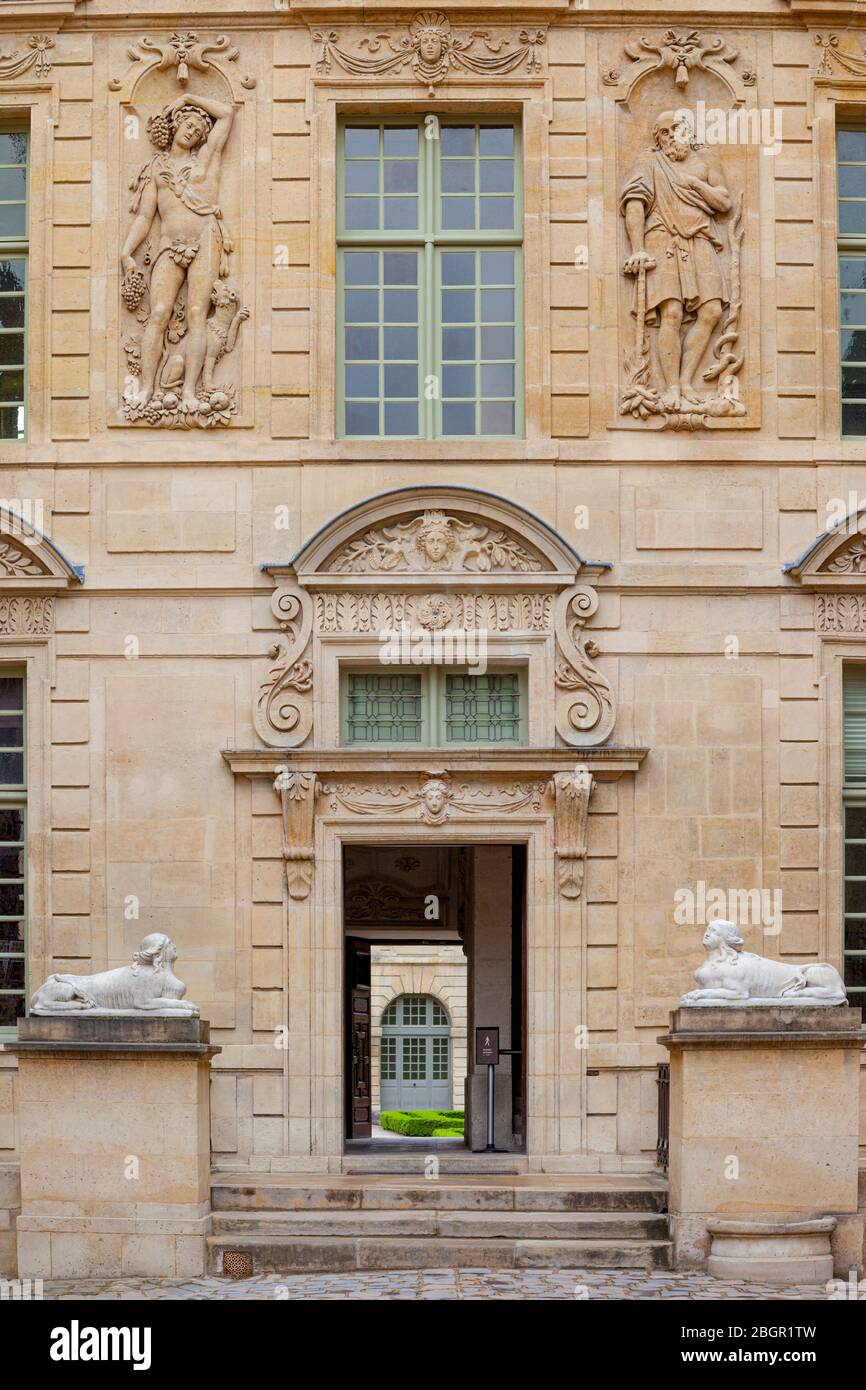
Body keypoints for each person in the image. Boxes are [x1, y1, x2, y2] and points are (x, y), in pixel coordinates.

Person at [121, 93, 237, 412]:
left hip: (205, 239)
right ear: (175, 126)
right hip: (169, 246)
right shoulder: (157, 170)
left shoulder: (206, 161)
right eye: (188, 124)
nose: (193, 132)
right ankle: (146, 389)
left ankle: (189, 391)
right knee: (158, 314)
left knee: (199, 314)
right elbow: (145, 217)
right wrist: (126, 252)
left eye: (199, 130)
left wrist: (187, 96)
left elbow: (227, 113)